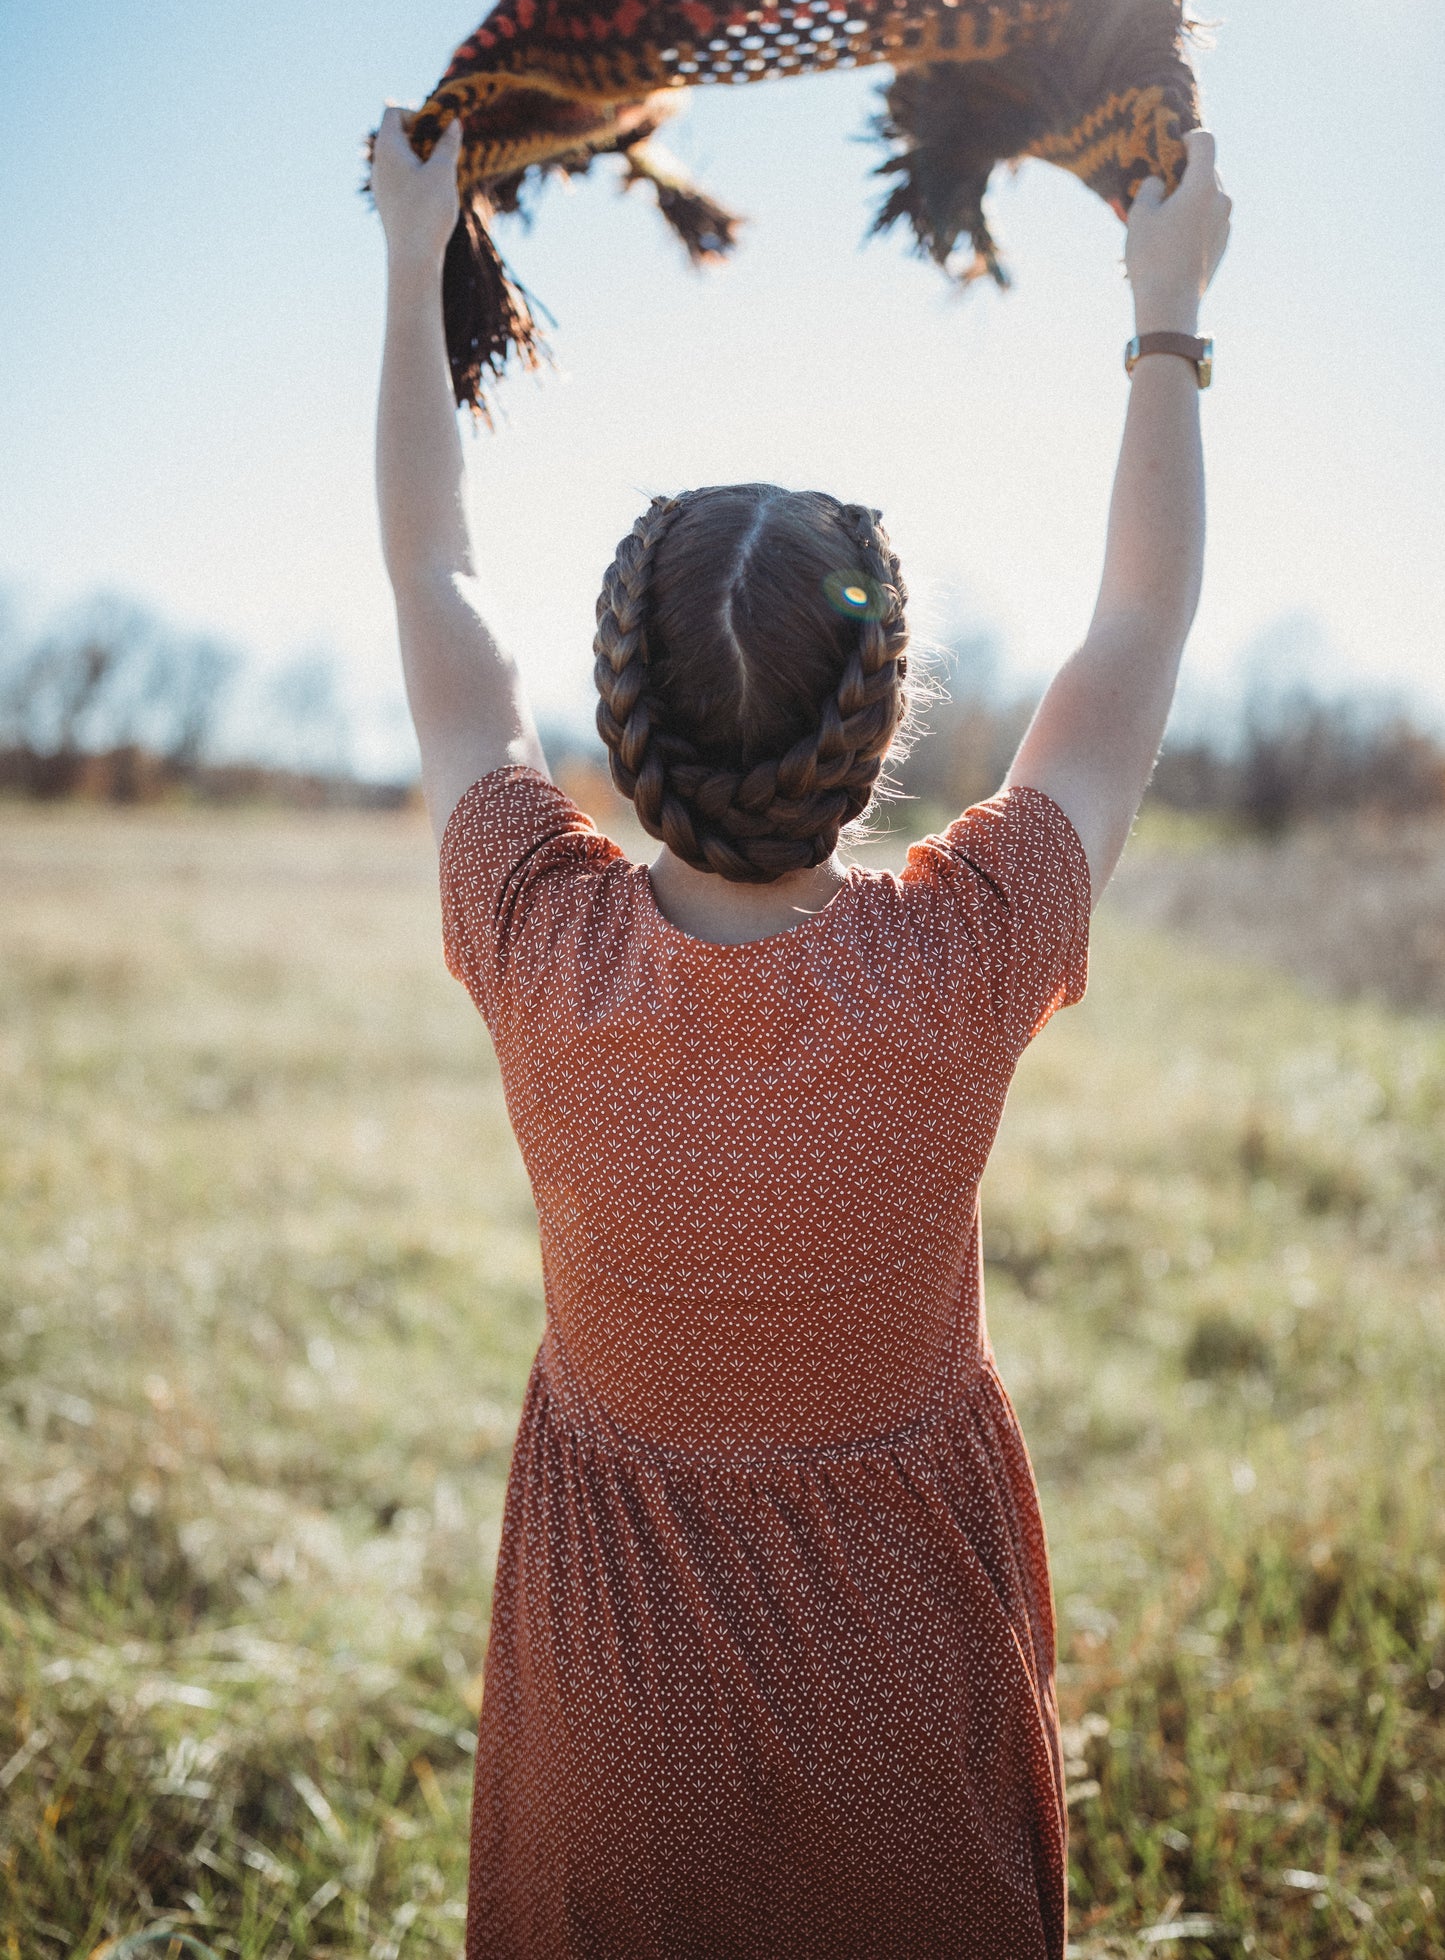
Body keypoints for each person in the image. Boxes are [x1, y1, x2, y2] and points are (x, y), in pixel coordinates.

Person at [370, 103, 1231, 1960]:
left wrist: (409, 264)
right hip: (907, 1712)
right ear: (874, 726)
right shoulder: (964, 960)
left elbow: (437, 587)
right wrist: (1166, 314)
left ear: (623, 720)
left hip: (619, 1741)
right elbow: (1140, 622)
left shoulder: (535, 932)